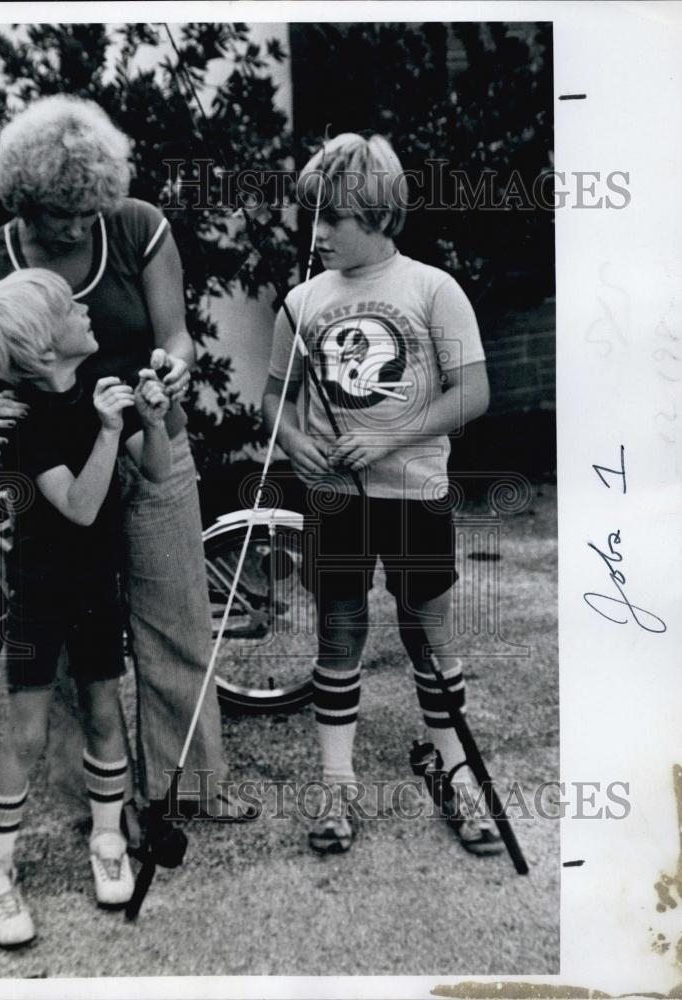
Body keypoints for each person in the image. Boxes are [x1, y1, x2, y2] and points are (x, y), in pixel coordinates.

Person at [0, 95, 252, 819]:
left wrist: (173, 366)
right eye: (63, 214)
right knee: (61, 628)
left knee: (174, 615)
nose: (80, 226)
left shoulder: (138, 227)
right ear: (24, 201)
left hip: (150, 439)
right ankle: (88, 799)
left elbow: (176, 335)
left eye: (91, 211)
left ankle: (190, 784)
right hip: (54, 464)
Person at [262, 133, 503, 856]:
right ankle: (336, 786)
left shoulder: (432, 288)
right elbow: (274, 403)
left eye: (332, 218)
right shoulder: (300, 302)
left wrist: (391, 435)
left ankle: (455, 771)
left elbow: (474, 394)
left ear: (378, 213)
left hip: (414, 492)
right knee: (339, 631)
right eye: (312, 218)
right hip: (333, 498)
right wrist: (294, 445)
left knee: (426, 634)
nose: (318, 233)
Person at [0, 268, 171, 946]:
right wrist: (109, 431)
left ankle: (107, 842)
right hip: (40, 595)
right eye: (68, 307)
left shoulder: (102, 387)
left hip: (94, 588)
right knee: (26, 731)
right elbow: (80, 507)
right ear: (43, 347)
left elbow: (159, 469)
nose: (85, 307)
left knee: (104, 713)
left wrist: (153, 420)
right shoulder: (28, 422)